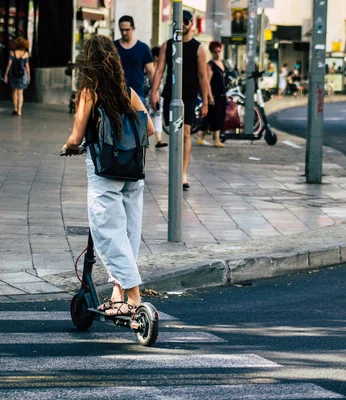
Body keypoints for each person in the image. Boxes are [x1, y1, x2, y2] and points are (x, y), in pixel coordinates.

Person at [62, 34, 155, 317]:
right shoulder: (128, 92)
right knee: (127, 235)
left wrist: (68, 147)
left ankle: (134, 296)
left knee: (107, 233)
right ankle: (118, 296)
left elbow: (77, 137)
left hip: (105, 172)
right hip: (132, 171)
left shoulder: (89, 92)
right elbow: (149, 129)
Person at [151, 10, 209, 190]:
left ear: (191, 24)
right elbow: (159, 70)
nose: (182, 25)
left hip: (190, 95)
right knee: (174, 133)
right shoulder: (167, 46)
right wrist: (154, 92)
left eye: (186, 21)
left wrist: (205, 101)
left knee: (185, 132)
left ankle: (182, 174)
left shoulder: (198, 48)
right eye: (179, 21)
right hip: (170, 94)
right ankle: (175, 169)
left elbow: (202, 76)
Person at [114, 15, 154, 99]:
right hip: (116, 94)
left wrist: (154, 92)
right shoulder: (113, 47)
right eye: (122, 30)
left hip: (137, 94)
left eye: (127, 30)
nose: (124, 33)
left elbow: (151, 72)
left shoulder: (143, 48)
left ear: (133, 28)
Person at [197, 41, 226, 148]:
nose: (217, 53)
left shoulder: (222, 64)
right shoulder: (210, 65)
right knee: (215, 118)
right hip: (214, 95)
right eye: (215, 51)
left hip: (222, 94)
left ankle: (201, 136)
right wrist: (209, 96)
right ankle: (216, 139)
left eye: (219, 51)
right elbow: (207, 82)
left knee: (211, 118)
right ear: (211, 52)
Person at [144, 46, 167, 148]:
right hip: (148, 94)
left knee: (158, 116)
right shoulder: (148, 66)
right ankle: (145, 139)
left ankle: (158, 140)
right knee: (145, 116)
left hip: (158, 94)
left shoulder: (160, 66)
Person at [4, 37, 31, 116]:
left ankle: (15, 109)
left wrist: (6, 75)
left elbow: (9, 65)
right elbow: (27, 66)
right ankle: (19, 111)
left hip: (13, 74)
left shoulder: (12, 53)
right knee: (20, 92)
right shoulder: (25, 54)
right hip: (22, 75)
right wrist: (29, 75)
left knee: (14, 91)